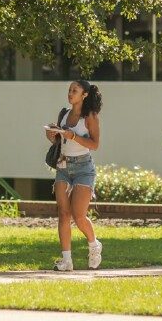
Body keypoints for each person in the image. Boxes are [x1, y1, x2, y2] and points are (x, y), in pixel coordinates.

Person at [44, 79, 103, 271]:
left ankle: (94, 245)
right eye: (69, 90)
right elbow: (60, 141)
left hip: (83, 168)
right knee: (63, 214)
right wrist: (53, 135)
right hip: (63, 166)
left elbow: (94, 145)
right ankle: (66, 260)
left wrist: (74, 136)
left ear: (84, 95)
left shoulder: (90, 117)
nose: (70, 93)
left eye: (74, 91)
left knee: (79, 216)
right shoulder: (65, 114)